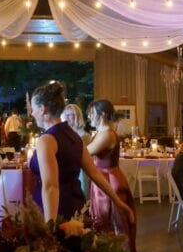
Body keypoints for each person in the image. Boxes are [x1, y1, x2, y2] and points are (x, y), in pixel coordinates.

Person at [28, 82, 134, 224]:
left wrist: (49, 228)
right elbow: (94, 173)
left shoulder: (46, 140)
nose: (31, 113)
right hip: (75, 205)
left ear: (42, 109)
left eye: (33, 108)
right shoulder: (73, 136)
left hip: (53, 209)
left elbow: (51, 186)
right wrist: (117, 202)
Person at [86, 99, 143, 252]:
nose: (89, 116)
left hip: (109, 184)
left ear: (101, 114)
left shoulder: (107, 134)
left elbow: (86, 153)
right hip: (102, 182)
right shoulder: (102, 131)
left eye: (92, 112)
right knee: (104, 236)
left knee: (115, 238)